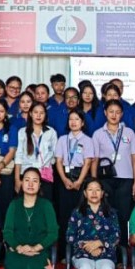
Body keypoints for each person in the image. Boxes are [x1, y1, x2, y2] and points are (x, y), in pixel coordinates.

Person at [92, 99, 135, 239]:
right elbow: (94, 160)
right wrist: (95, 183)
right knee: (106, 214)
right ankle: (106, 249)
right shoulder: (98, 134)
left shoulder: (129, 133)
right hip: (105, 179)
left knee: (123, 215)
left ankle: (122, 252)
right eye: (111, 112)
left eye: (117, 112)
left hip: (126, 179)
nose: (114, 115)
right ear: (105, 113)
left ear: (122, 114)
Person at [54, 109, 96, 259]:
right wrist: (65, 180)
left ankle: (80, 252)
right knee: (64, 217)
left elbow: (88, 162)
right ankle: (63, 254)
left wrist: (79, 182)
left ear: (82, 122)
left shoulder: (87, 140)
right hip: (64, 179)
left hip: (81, 179)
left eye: (77, 119)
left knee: (81, 216)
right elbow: (58, 161)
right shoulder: (62, 139)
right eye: (71, 119)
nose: (73, 122)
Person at [15, 101, 57, 199]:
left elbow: (55, 155)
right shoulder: (23, 132)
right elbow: (18, 156)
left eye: (41, 113)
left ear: (45, 115)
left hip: (44, 175)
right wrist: (17, 179)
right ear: (30, 114)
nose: (38, 115)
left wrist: (48, 165)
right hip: (26, 174)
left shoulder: (51, 132)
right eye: (35, 112)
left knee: (44, 205)